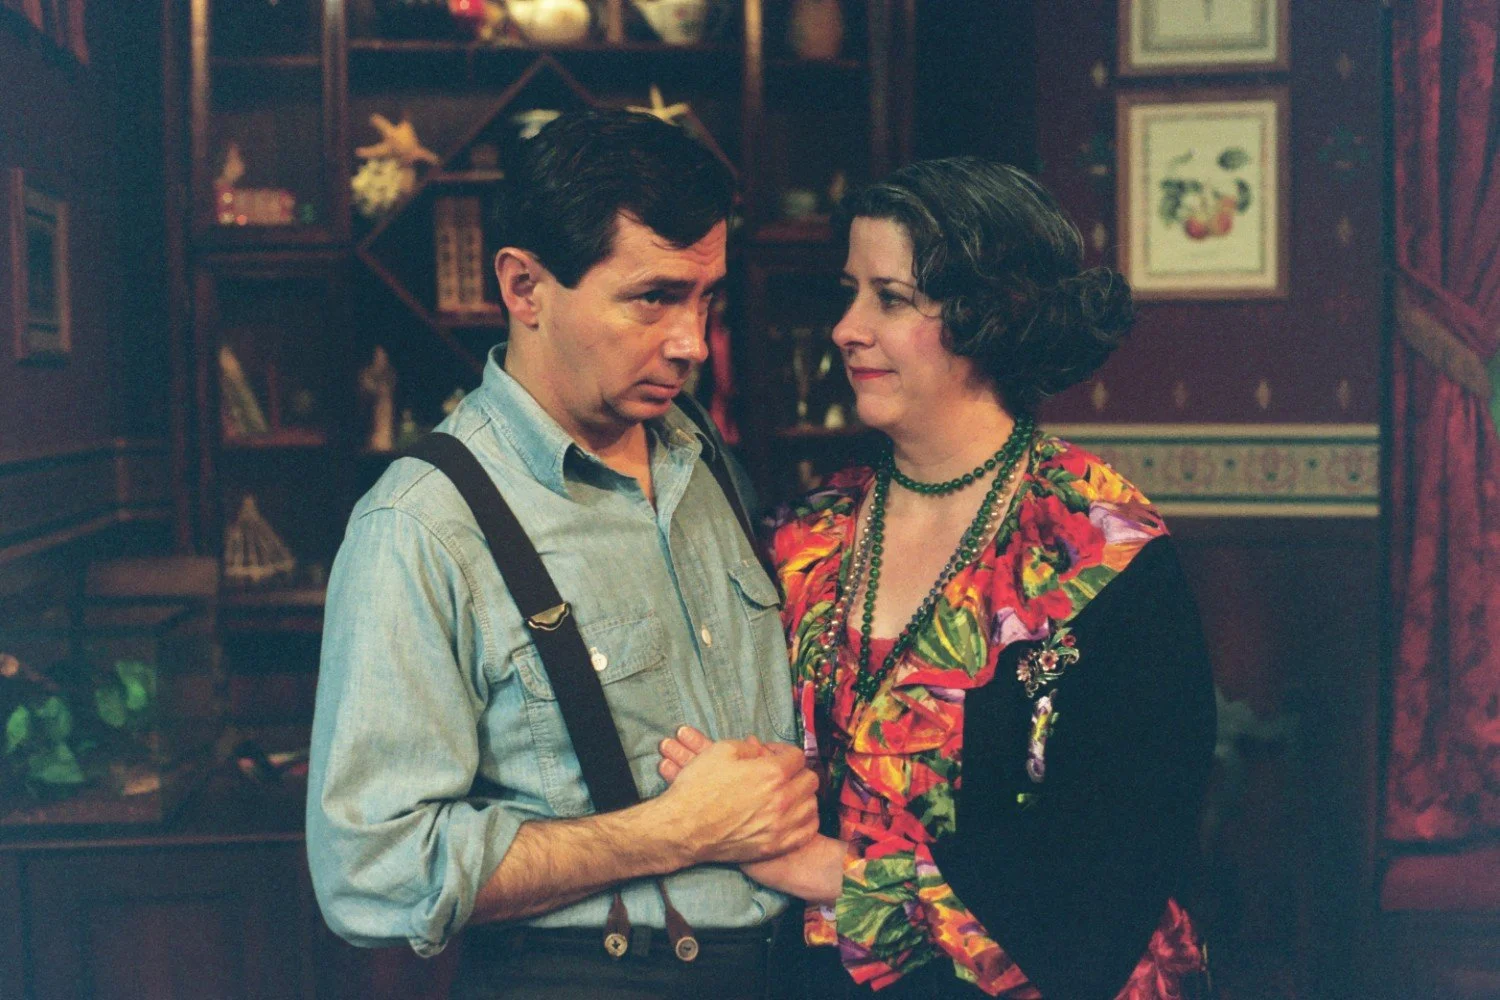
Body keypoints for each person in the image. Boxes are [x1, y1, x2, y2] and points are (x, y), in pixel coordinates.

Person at [657, 158, 1217, 998]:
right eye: (849, 293)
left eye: (890, 297)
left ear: (989, 315)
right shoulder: (806, 535)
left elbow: (1113, 856)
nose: (846, 327)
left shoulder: (1102, 545)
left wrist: (830, 872)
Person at [306, 109, 819, 1000]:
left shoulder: (706, 459)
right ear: (524, 286)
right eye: (653, 297)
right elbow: (369, 871)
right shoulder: (421, 525)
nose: (692, 342)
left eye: (707, 300)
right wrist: (671, 833)